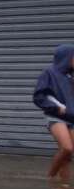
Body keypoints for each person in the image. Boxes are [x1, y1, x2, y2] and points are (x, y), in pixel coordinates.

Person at [33, 43, 74, 179]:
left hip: (72, 118)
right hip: (56, 116)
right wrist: (57, 108)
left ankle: (63, 188)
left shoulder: (71, 76)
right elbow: (39, 96)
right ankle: (50, 177)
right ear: (66, 57)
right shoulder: (49, 73)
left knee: (68, 155)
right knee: (67, 148)